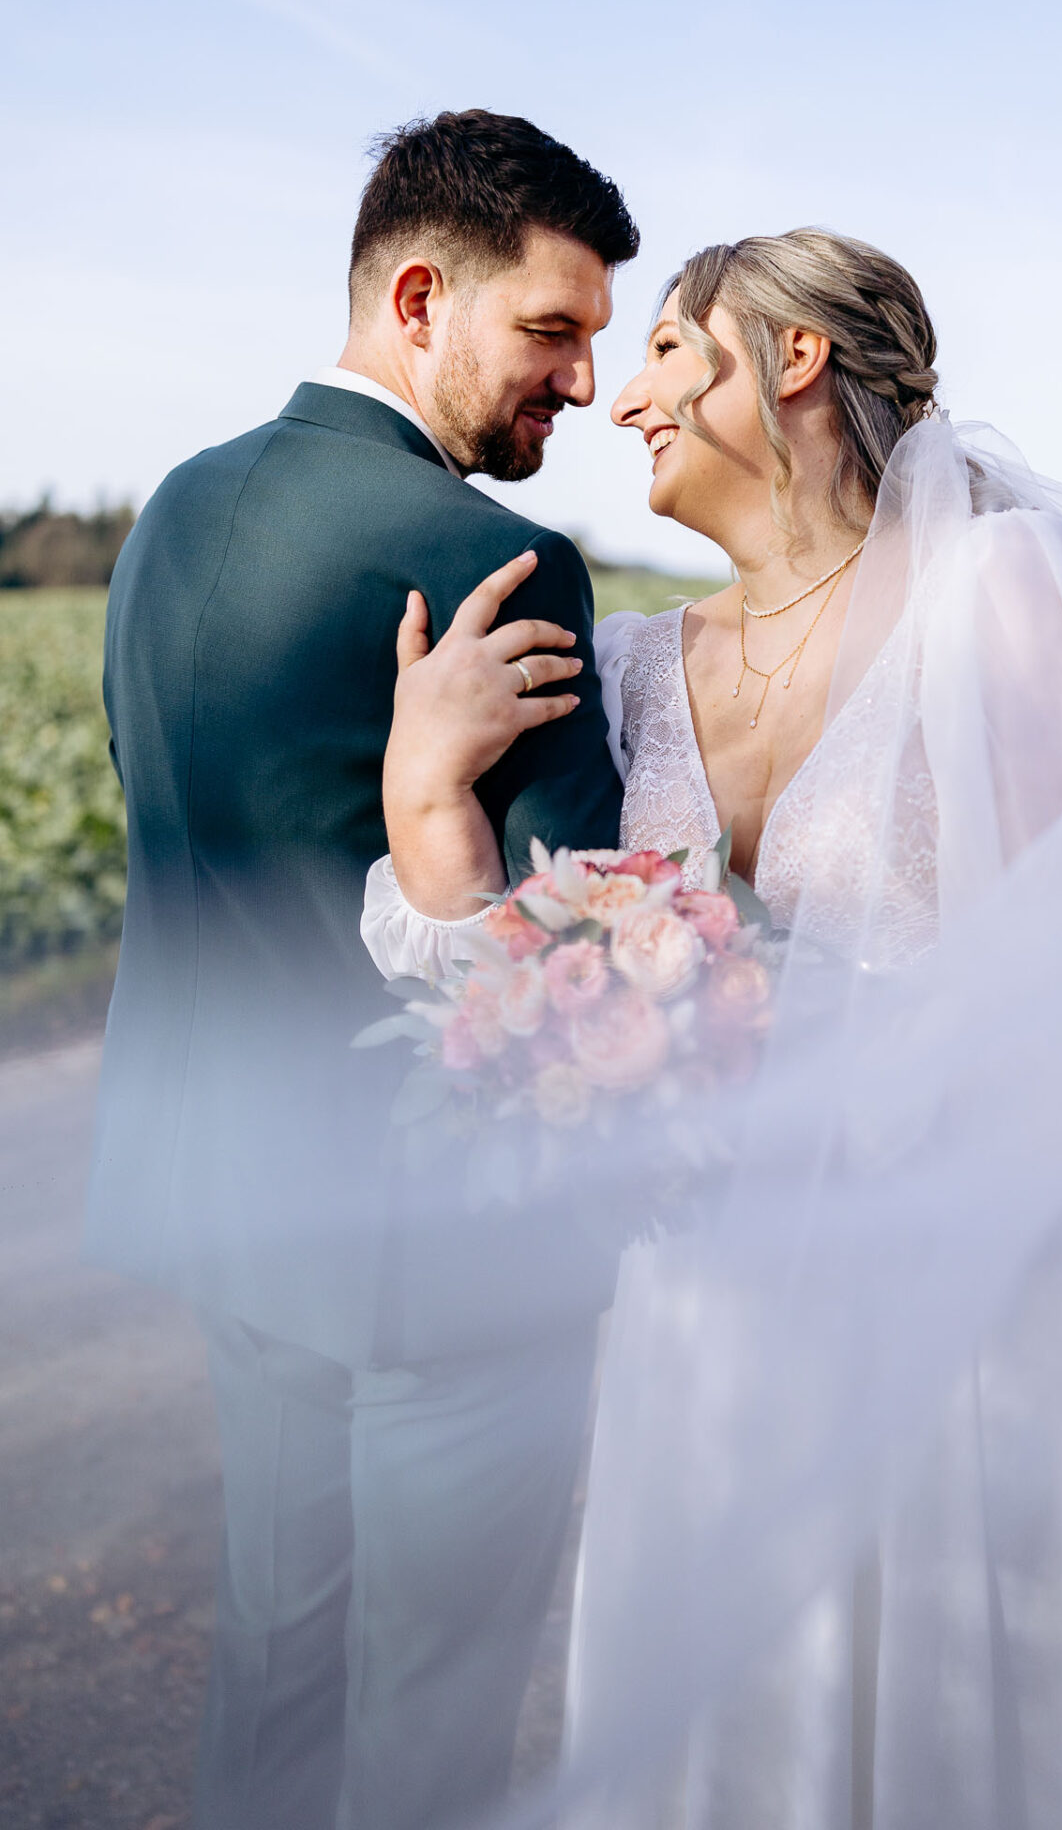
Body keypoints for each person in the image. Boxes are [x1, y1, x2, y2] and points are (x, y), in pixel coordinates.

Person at [366, 229, 1062, 1827]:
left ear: (786, 357)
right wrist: (427, 789)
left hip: (974, 1319)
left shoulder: (1006, 594)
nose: (620, 395)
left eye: (661, 348)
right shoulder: (641, 672)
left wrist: (832, 1061)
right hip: (709, 1333)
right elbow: (527, 975)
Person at [86, 109, 638, 1830]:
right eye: (552, 332)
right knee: (429, 1724)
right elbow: (581, 966)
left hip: (219, 1190)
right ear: (420, 295)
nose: (578, 381)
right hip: (440, 1258)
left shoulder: (173, 514)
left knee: (278, 1660)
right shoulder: (495, 565)